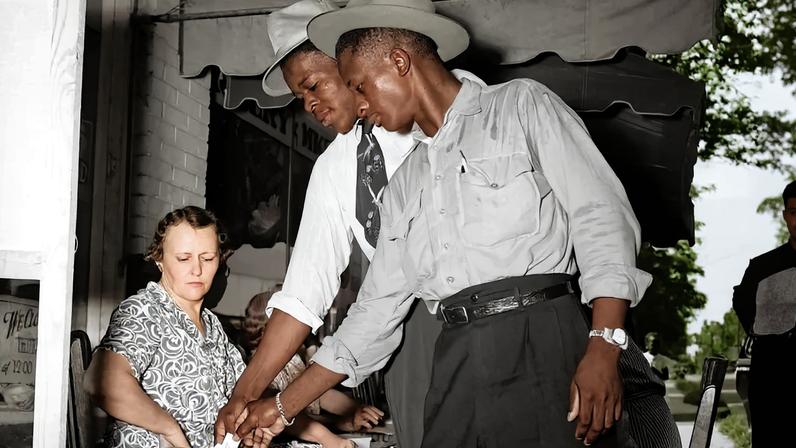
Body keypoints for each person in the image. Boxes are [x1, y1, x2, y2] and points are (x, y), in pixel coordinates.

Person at [234, 1, 681, 447]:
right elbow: (373, 313)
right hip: (454, 352)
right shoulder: (404, 182)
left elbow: (600, 216)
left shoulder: (519, 106)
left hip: (542, 332)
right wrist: (279, 408)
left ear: (398, 61)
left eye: (360, 86)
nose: (361, 105)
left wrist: (604, 344)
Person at [214, 1, 483, 446]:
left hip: (488, 306)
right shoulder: (334, 167)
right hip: (405, 329)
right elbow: (304, 293)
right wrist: (246, 392)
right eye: (301, 97)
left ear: (347, 60)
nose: (310, 105)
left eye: (314, 84)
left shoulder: (438, 114)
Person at [84, 206, 245, 447]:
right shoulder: (145, 309)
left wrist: (316, 433)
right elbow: (102, 381)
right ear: (159, 259)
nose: (197, 270)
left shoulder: (212, 325)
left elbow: (247, 388)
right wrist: (170, 429)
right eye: (183, 258)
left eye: (207, 258)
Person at [732, 180, 796, 447]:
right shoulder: (762, 268)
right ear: (785, 216)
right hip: (772, 378)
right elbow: (743, 303)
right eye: (794, 212)